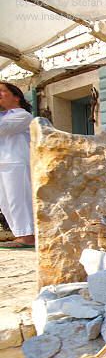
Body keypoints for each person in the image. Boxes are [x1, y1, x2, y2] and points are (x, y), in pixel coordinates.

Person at [0, 81, 34, 249]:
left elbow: (3, 128)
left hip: (16, 163)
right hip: (3, 163)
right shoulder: (4, 115)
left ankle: (27, 236)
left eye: (1, 91)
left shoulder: (23, 115)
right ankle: (19, 234)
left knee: (18, 199)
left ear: (16, 97)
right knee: (5, 202)